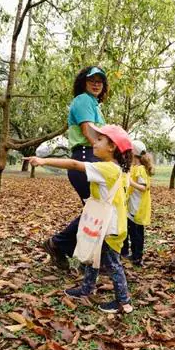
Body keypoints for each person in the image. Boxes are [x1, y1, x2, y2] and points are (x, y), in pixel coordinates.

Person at [28, 124, 134, 314]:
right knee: (94, 257)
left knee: (113, 264)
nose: (94, 142)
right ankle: (86, 288)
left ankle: (123, 302)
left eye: (100, 140)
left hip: (109, 227)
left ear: (112, 147)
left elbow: (75, 165)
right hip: (107, 222)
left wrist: (43, 161)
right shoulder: (120, 169)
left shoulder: (107, 169)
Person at [43, 66, 108, 271]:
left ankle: (81, 255)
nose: (97, 84)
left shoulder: (94, 103)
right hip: (85, 156)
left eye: (100, 81)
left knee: (96, 210)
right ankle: (60, 245)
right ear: (83, 82)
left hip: (92, 157)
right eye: (92, 80)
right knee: (97, 210)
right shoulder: (82, 100)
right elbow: (89, 132)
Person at [121, 140, 153, 267]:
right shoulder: (134, 168)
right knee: (130, 231)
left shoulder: (140, 169)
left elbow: (143, 187)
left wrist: (129, 182)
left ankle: (137, 257)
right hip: (131, 205)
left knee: (137, 233)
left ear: (133, 153)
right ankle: (131, 254)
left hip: (138, 207)